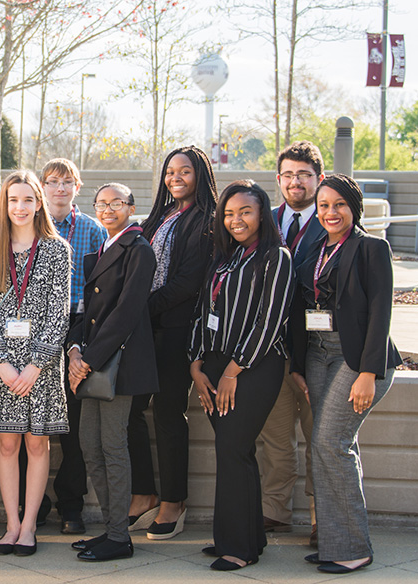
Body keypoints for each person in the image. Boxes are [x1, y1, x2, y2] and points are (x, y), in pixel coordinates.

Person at [289, 174, 401, 574]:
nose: (330, 212)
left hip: (356, 360)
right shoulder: (314, 250)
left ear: (354, 207)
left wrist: (368, 373)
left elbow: (380, 315)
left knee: (330, 444)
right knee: (328, 448)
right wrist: (299, 365)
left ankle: (354, 548)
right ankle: (334, 542)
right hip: (319, 357)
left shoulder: (372, 248)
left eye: (339, 204)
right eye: (323, 206)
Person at [189, 180, 294, 571]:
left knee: (232, 450)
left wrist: (234, 370)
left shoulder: (275, 257)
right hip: (214, 365)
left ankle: (238, 548)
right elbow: (204, 310)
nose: (236, 220)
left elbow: (271, 321)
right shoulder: (225, 258)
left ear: (262, 214)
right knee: (237, 453)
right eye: (229, 213)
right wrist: (196, 363)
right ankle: (247, 538)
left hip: (254, 367)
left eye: (245, 212)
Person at [0, 170, 71, 557]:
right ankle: (11, 525)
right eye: (13, 200)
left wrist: (35, 365)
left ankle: (30, 525)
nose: (20, 207)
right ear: (4, 203)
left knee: (37, 444)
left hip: (40, 368)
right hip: (2, 368)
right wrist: (0, 362)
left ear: (38, 203)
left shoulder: (56, 249)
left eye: (28, 199)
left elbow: (59, 311)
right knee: (8, 444)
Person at [128, 146, 217, 540]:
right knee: (129, 411)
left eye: (184, 171)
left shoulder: (206, 222)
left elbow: (187, 284)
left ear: (200, 175)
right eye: (170, 172)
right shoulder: (159, 216)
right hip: (143, 329)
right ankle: (145, 493)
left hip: (175, 331)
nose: (175, 178)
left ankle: (174, 501)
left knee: (167, 414)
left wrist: (139, 308)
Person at [66, 183, 157, 562]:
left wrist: (87, 360)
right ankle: (111, 529)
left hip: (118, 366)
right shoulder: (102, 248)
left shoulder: (139, 249)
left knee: (113, 448)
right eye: (101, 204)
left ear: (131, 207)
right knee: (91, 444)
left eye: (116, 203)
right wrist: (73, 348)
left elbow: (125, 314)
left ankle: (120, 537)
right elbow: (88, 313)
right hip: (93, 363)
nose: (107, 209)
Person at [257, 141, 326, 545]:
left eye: (304, 175)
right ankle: (275, 512)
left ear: (317, 178)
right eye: (289, 174)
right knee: (276, 438)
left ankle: (323, 516)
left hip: (320, 350)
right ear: (278, 179)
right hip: (273, 348)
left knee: (321, 437)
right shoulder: (265, 219)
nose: (296, 181)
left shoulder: (334, 216)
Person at [38, 158, 106, 534]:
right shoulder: (32, 225)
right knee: (32, 424)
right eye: (53, 181)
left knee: (76, 426)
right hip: (34, 332)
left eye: (67, 181)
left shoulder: (93, 231)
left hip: (79, 332)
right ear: (43, 187)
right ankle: (31, 503)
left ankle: (70, 505)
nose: (60, 188)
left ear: (77, 188)